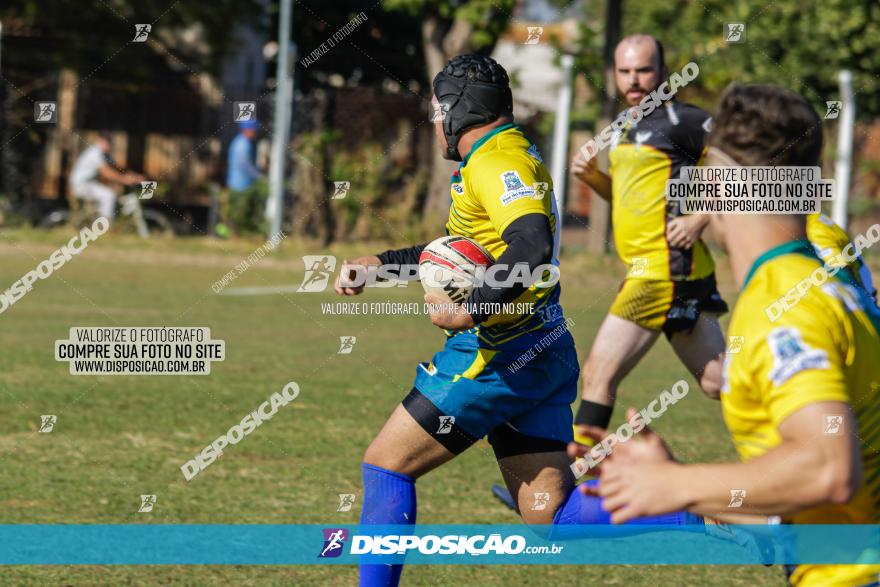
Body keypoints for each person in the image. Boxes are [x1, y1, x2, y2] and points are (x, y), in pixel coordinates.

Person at [335, 54, 737, 587]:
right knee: (549, 514)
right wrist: (382, 266)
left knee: (387, 464)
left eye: (436, 112)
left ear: (458, 110)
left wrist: (471, 307)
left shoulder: (497, 163)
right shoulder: (497, 156)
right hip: (540, 351)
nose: (433, 123)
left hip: (496, 357)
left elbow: (531, 243)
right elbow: (468, 250)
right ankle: (698, 513)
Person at [579, 84, 880, 587]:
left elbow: (829, 471)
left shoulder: (785, 304)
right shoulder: (814, 280)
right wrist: (684, 487)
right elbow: (813, 501)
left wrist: (676, 483)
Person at [569, 34, 728, 444]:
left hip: (662, 270)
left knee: (599, 374)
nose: (633, 80)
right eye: (625, 71)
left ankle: (563, 493)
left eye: (643, 70)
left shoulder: (686, 121)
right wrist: (593, 179)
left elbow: (740, 167)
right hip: (659, 271)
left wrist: (700, 217)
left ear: (663, 72)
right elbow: (626, 198)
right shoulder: (624, 126)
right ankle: (807, 412)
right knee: (719, 382)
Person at [69, 131, 143, 221]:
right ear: (99, 140)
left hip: (91, 184)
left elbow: (118, 168)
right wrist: (125, 180)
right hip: (82, 185)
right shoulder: (95, 153)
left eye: (109, 141)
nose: (108, 143)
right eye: (106, 141)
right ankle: (104, 226)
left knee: (113, 197)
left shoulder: (106, 154)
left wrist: (135, 176)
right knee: (109, 196)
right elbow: (107, 172)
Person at [221, 120, 263, 235]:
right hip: (239, 184)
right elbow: (244, 164)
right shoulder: (243, 144)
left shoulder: (242, 141)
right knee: (237, 211)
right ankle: (230, 234)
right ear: (248, 130)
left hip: (240, 183)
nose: (256, 133)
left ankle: (234, 233)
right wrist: (258, 175)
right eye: (254, 130)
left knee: (237, 210)